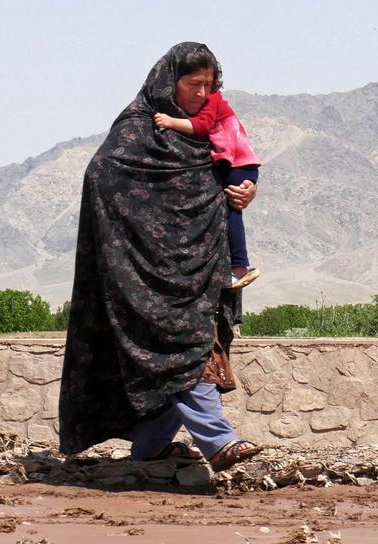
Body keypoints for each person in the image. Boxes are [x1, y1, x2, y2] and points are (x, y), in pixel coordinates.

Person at [58, 42, 262, 473]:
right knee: (183, 353)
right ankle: (220, 441)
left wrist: (245, 189)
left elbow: (232, 165)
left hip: (200, 268)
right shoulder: (136, 129)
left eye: (210, 85)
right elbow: (102, 177)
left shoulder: (208, 125)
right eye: (193, 85)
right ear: (170, 82)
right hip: (143, 276)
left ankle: (148, 450)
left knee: (185, 358)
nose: (202, 94)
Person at [153, 88, 263, 290]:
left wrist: (170, 122)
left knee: (230, 210)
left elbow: (202, 126)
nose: (199, 91)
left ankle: (239, 267)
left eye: (205, 83)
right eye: (195, 84)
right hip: (237, 165)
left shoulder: (211, 100)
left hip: (237, 165)